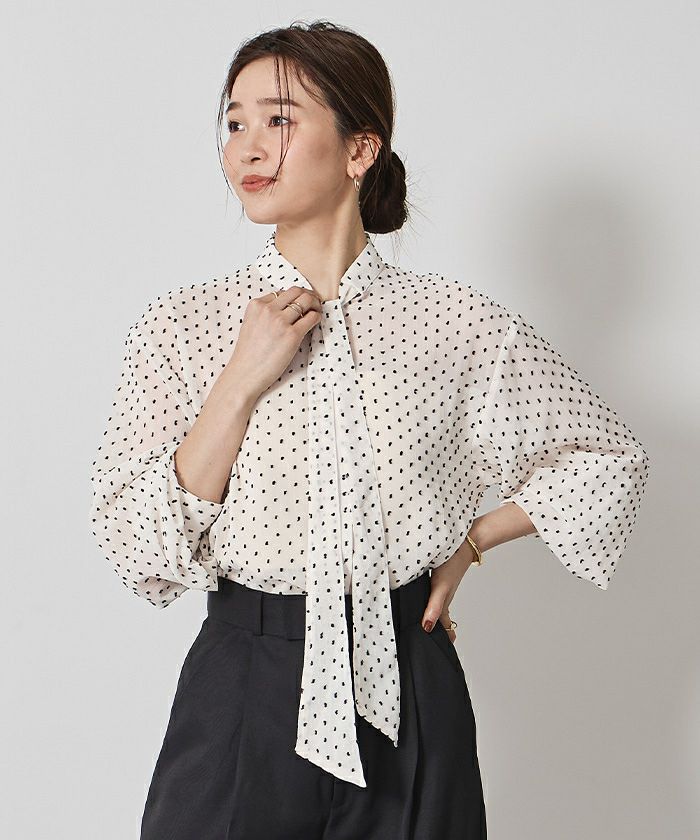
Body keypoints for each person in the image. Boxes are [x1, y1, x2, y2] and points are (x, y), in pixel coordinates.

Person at [88, 20, 650, 840]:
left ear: (359, 150)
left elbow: (606, 458)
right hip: (245, 684)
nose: (247, 147)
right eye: (234, 122)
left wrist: (472, 541)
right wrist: (240, 380)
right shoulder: (184, 326)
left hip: (413, 685)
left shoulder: (457, 324)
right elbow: (138, 550)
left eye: (279, 119)